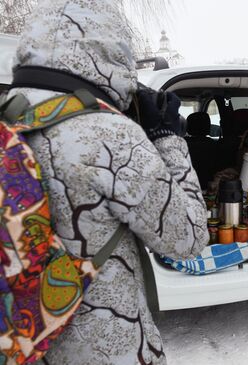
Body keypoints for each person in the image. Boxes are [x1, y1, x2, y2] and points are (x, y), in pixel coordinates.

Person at [6, 0, 209, 363]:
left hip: (26, 339)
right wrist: (167, 137)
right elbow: (188, 238)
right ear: (109, 49)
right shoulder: (109, 135)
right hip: (106, 347)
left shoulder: (10, 113)